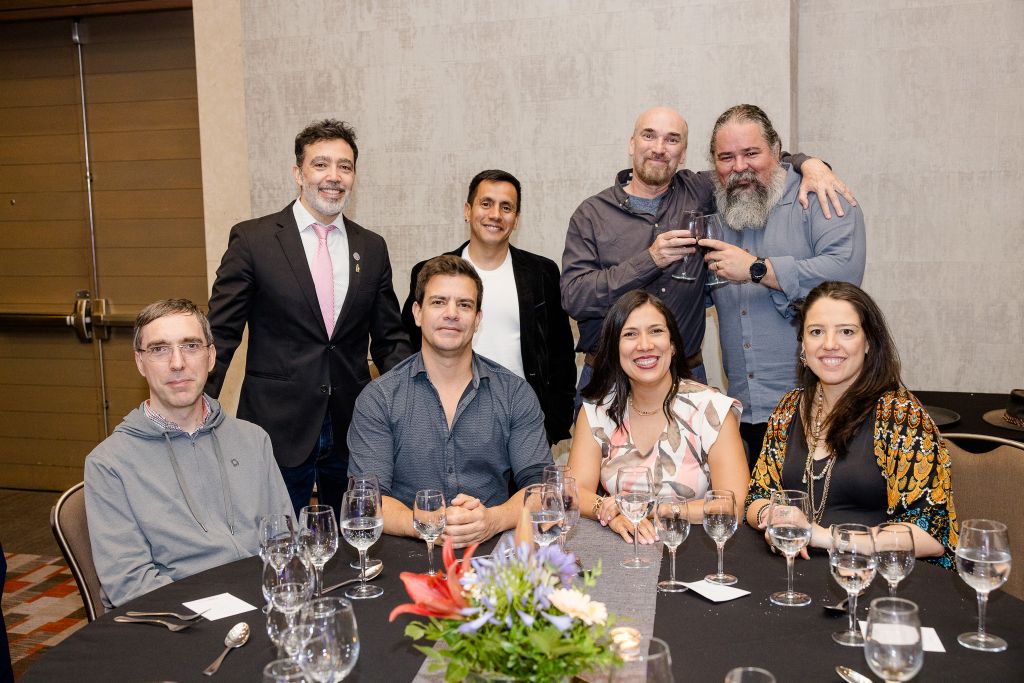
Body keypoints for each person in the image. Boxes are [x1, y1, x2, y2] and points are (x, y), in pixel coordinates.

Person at [561, 105, 854, 400]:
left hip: (686, 379)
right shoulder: (592, 214)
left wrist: (811, 164)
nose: (659, 148)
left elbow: (756, 161)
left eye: (672, 139)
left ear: (683, 153)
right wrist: (649, 260)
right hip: (609, 380)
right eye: (649, 136)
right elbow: (574, 297)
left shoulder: (701, 189)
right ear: (631, 144)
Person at [207, 119, 410, 519]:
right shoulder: (253, 240)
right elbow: (221, 333)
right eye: (321, 164)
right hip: (275, 427)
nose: (334, 176)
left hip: (353, 429)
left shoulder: (371, 247)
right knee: (276, 539)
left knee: (356, 537)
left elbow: (390, 339)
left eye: (345, 167)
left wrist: (417, 405)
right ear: (298, 173)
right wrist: (196, 405)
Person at [84, 300, 293, 607]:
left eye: (191, 346)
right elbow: (130, 583)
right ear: (140, 363)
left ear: (211, 356)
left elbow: (285, 538)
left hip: (263, 602)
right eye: (159, 349)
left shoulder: (253, 439)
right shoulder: (109, 464)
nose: (177, 363)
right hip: (177, 617)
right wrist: (222, 610)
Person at [744, 282, 958, 568]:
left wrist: (825, 537)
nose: (830, 344)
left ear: (868, 342)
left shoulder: (901, 415)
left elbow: (929, 534)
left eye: (846, 331)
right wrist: (773, 516)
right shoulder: (789, 408)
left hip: (882, 576)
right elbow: (757, 496)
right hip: (799, 571)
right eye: (816, 332)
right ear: (803, 345)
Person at [699, 105, 866, 464]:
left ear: (777, 151)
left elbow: (845, 275)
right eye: (726, 157)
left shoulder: (820, 196)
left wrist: (757, 269)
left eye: (751, 153)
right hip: (746, 412)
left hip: (822, 408)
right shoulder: (714, 207)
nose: (739, 166)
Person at [348, 255, 552, 548]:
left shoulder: (514, 394)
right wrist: (422, 523)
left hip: (493, 554)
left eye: (464, 305)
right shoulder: (379, 399)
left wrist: (493, 520)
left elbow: (541, 488)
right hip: (405, 553)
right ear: (417, 313)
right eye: (439, 302)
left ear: (477, 319)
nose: (452, 313)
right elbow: (368, 499)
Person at [401, 170, 575, 445]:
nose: (495, 214)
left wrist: (552, 425)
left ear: (516, 219)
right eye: (486, 203)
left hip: (522, 425)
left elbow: (561, 355)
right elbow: (408, 346)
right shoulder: (432, 272)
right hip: (445, 422)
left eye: (506, 207)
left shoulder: (542, 273)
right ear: (467, 210)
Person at [568, 290, 749, 543]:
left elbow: (733, 505)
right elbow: (575, 491)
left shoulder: (711, 409)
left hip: (694, 548)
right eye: (630, 334)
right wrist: (607, 511)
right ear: (615, 348)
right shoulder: (598, 412)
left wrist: (649, 509)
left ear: (672, 345)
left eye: (656, 331)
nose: (645, 345)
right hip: (620, 547)